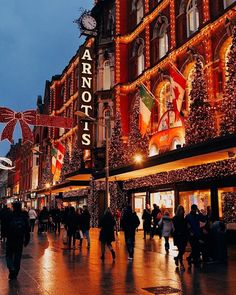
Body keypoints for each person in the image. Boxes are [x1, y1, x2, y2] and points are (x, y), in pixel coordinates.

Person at [5, 201, 30, 280]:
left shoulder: (10, 215)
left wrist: (5, 235)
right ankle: (15, 272)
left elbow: (5, 226)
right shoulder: (24, 216)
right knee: (17, 256)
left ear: (13, 207)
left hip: (10, 239)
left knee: (9, 255)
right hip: (20, 239)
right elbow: (27, 228)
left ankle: (11, 267)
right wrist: (27, 239)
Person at [172, 205, 188, 271]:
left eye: (182, 210)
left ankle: (177, 258)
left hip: (183, 236)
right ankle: (181, 264)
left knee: (183, 249)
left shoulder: (183, 218)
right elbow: (175, 227)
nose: (182, 211)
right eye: (181, 210)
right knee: (181, 249)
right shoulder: (175, 218)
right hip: (178, 236)